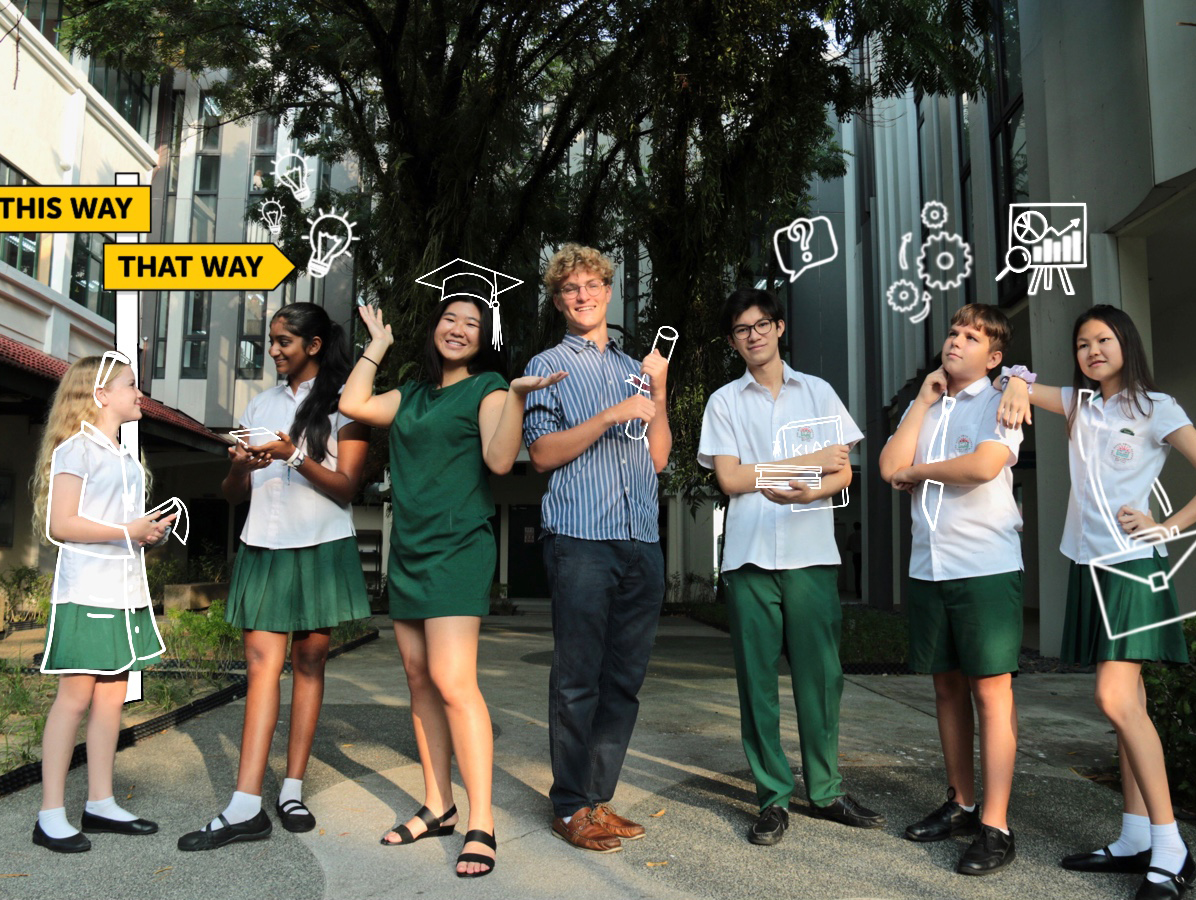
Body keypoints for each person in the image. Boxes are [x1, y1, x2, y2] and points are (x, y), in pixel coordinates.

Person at [998, 305, 1196, 900]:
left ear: (1126, 343)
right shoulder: (1081, 405)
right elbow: (1010, 377)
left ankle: (1171, 848)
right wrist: (1017, 384)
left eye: (1104, 339)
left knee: (1113, 697)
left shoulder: (1157, 408)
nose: (1093, 351)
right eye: (1083, 344)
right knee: (1129, 703)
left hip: (1132, 567)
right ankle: (1134, 838)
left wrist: (1167, 525)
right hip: (1088, 566)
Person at [338, 265, 565, 878]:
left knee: (453, 681)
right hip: (410, 549)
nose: (459, 328)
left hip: (458, 549)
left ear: (485, 336)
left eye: (472, 322)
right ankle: (438, 804)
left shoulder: (489, 388)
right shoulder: (411, 394)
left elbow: (499, 460)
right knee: (418, 680)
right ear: (435, 327)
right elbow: (352, 402)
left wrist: (518, 397)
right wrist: (377, 346)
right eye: (450, 318)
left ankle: (481, 820)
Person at [179, 303, 371, 851]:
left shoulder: (345, 402)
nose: (273, 350)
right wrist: (240, 467)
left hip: (320, 546)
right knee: (262, 668)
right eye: (272, 340)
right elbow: (232, 494)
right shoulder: (259, 404)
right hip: (263, 544)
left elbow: (347, 486)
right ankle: (245, 805)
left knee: (308, 665)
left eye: (284, 340)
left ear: (314, 345)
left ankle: (292, 790)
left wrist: (292, 456)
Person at [697, 287, 884, 847]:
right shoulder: (725, 402)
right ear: (732, 342)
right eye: (741, 330)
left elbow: (842, 472)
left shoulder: (819, 393)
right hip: (749, 557)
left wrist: (809, 489)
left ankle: (825, 790)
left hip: (811, 554)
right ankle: (772, 797)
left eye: (761, 324)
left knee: (821, 679)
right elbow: (729, 478)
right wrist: (805, 463)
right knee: (757, 683)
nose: (753, 335)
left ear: (779, 328)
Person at [522, 243, 671, 853]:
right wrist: (611, 415)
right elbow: (540, 454)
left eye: (591, 285)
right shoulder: (548, 364)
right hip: (581, 538)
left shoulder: (637, 367)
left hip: (642, 539)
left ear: (609, 291)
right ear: (559, 301)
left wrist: (659, 392)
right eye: (569, 289)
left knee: (624, 680)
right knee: (578, 678)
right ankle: (568, 806)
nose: (582, 296)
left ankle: (595, 798)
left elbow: (657, 459)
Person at [878, 304, 1025, 874]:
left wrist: (919, 473)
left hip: (985, 565)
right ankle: (962, 803)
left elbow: (985, 465)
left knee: (991, 692)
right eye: (954, 332)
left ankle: (996, 825)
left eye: (972, 337)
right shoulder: (928, 405)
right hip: (930, 567)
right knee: (946, 687)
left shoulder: (1004, 398)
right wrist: (920, 402)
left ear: (994, 357)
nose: (956, 341)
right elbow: (889, 465)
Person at [31, 352, 178, 852]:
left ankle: (100, 803)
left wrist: (146, 533)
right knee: (74, 699)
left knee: (113, 696)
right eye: (131, 385)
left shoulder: (124, 456)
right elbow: (61, 524)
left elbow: (120, 528)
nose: (140, 394)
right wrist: (127, 530)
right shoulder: (76, 450)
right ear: (100, 396)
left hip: (125, 591)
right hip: (88, 592)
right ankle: (50, 814)